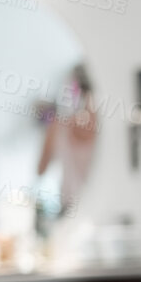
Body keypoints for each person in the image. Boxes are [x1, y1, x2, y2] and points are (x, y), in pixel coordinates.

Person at [36, 62, 100, 216]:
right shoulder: (104, 129)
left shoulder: (58, 126)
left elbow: (40, 169)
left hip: (73, 207)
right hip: (89, 205)